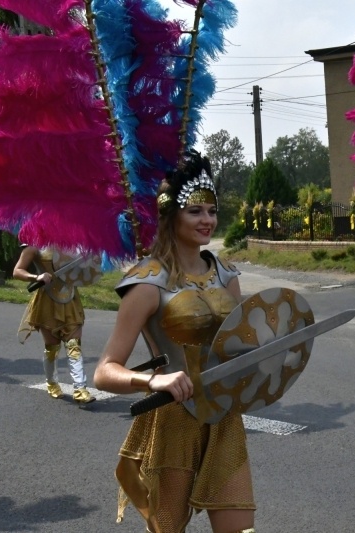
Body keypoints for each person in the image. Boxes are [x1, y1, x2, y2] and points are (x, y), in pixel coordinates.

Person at [93, 151, 255, 533]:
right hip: (173, 419)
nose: (208, 220)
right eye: (195, 211)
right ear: (171, 215)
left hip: (224, 417)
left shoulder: (226, 275)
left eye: (211, 210)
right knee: (167, 529)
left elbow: (243, 345)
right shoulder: (148, 282)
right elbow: (103, 372)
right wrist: (154, 380)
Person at [13, 246, 96, 404]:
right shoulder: (34, 245)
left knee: (74, 345)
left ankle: (80, 389)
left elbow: (84, 270)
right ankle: (51, 383)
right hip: (47, 300)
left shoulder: (73, 242)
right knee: (52, 347)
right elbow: (17, 271)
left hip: (70, 298)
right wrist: (37, 277)